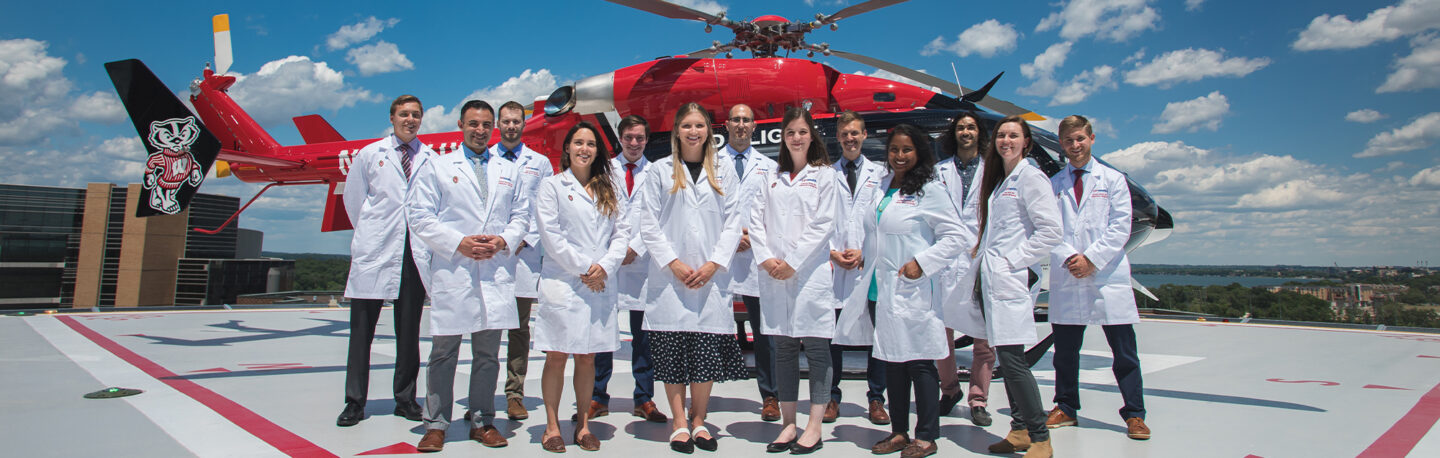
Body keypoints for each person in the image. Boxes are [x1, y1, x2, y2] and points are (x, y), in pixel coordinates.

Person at [408, 100, 525, 451]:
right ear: (460, 124)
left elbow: (522, 214)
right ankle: (436, 424)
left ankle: (482, 420)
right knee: (444, 352)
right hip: (455, 270)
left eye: (486, 124)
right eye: (473, 123)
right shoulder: (438, 167)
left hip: (493, 270)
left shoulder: (508, 169)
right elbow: (419, 216)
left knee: (487, 354)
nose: (480, 130)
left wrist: (504, 239)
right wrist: (458, 242)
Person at [636, 102, 748, 454]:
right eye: (687, 125)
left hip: (710, 278)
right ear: (676, 131)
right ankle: (679, 423)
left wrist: (714, 264)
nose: (694, 132)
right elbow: (648, 223)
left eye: (699, 125)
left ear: (709, 131)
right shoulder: (659, 171)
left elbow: (734, 222)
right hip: (671, 278)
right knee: (671, 352)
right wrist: (674, 263)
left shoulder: (724, 171)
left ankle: (699, 421)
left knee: (704, 352)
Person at [863, 124, 967, 458]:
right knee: (893, 362)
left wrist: (922, 262)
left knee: (920, 363)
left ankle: (926, 435)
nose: (899, 156)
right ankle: (898, 432)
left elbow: (957, 237)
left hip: (913, 288)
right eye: (894, 149)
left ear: (919, 152)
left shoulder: (929, 189)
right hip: (881, 288)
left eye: (907, 149)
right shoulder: (883, 186)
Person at [1044, 115, 1149, 440]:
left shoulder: (1114, 180)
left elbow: (1121, 226)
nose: (1075, 146)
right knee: (1064, 352)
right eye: (1068, 141)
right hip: (1068, 274)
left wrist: (1091, 259)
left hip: (1106, 276)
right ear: (1061, 145)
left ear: (1091, 139)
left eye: (1080, 139)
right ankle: (1066, 406)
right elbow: (1049, 227)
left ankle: (1134, 414)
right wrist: (1069, 258)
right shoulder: (1055, 184)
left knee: (1124, 352)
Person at [748, 107, 843, 454]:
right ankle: (789, 424)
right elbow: (754, 220)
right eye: (790, 132)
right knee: (784, 351)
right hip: (775, 275)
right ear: (782, 138)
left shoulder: (825, 176)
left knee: (817, 349)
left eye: (802, 131)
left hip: (809, 275)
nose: (796, 138)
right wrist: (767, 258)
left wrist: (792, 262)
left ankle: (814, 427)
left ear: (811, 135)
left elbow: (824, 223)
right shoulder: (770, 177)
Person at [532, 121, 631, 452]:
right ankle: (551, 426)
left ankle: (583, 425)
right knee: (557, 356)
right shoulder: (552, 186)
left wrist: (603, 266)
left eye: (590, 144)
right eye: (578, 143)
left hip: (599, 284)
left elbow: (622, 233)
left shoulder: (609, 187)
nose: (584, 149)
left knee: (587, 357)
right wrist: (585, 267)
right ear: (567, 149)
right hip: (564, 283)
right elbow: (551, 235)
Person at [336, 94, 427, 427]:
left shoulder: (429, 158)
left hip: (412, 254)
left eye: (416, 115)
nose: (410, 120)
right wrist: (373, 234)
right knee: (362, 332)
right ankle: (355, 402)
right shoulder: (369, 154)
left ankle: (405, 399)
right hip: (375, 251)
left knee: (409, 332)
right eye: (404, 114)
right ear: (392, 117)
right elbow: (354, 201)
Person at [975, 116, 1062, 458]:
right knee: (1005, 359)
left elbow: (1051, 231)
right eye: (1001, 136)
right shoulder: (1002, 181)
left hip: (1009, 280)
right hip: (995, 280)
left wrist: (1013, 260)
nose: (1006, 141)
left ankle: (1041, 438)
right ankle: (1019, 430)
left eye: (1013, 135)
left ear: (1026, 141)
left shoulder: (1031, 178)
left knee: (1013, 361)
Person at [581, 115, 668, 423]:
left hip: (643, 263)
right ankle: (598, 396)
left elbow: (658, 216)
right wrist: (617, 251)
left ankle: (644, 398)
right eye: (629, 137)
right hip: (610, 259)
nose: (634, 143)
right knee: (603, 330)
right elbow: (597, 212)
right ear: (619, 138)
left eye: (640, 138)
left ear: (647, 140)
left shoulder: (657, 172)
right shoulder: (604, 170)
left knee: (644, 336)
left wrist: (637, 247)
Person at [716, 103, 782, 422]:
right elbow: (704, 210)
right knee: (706, 325)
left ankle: (770, 396)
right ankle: (698, 390)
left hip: (755, 255)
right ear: (726, 125)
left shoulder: (768, 166)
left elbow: (774, 212)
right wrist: (731, 237)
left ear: (754, 126)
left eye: (746, 120)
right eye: (736, 120)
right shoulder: (710, 163)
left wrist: (752, 237)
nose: (741, 125)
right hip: (719, 255)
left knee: (763, 331)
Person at [825, 111, 890, 426]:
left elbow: (885, 220)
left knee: (877, 336)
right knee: (832, 337)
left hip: (870, 266)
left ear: (864, 136)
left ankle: (876, 398)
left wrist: (868, 250)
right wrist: (832, 253)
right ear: (838, 138)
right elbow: (818, 221)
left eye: (855, 133)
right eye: (844, 134)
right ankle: (831, 397)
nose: (850, 139)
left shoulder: (881, 174)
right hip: (836, 267)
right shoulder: (827, 175)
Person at [934, 112, 997, 427]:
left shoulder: (993, 172)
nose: (966, 132)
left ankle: (978, 399)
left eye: (971, 127)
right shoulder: (938, 172)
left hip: (979, 260)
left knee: (983, 339)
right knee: (940, 334)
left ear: (978, 133)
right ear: (954, 134)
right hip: (946, 263)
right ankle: (949, 390)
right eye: (960, 127)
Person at [496, 101, 555, 421]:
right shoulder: (485, 158)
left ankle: (514, 392)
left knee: (519, 328)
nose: (511, 126)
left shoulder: (541, 163)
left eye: (516, 121)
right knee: (487, 326)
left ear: (523, 124)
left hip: (524, 254)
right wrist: (501, 238)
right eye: (505, 121)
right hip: (491, 253)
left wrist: (523, 238)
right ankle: (482, 393)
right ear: (498, 124)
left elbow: (544, 208)